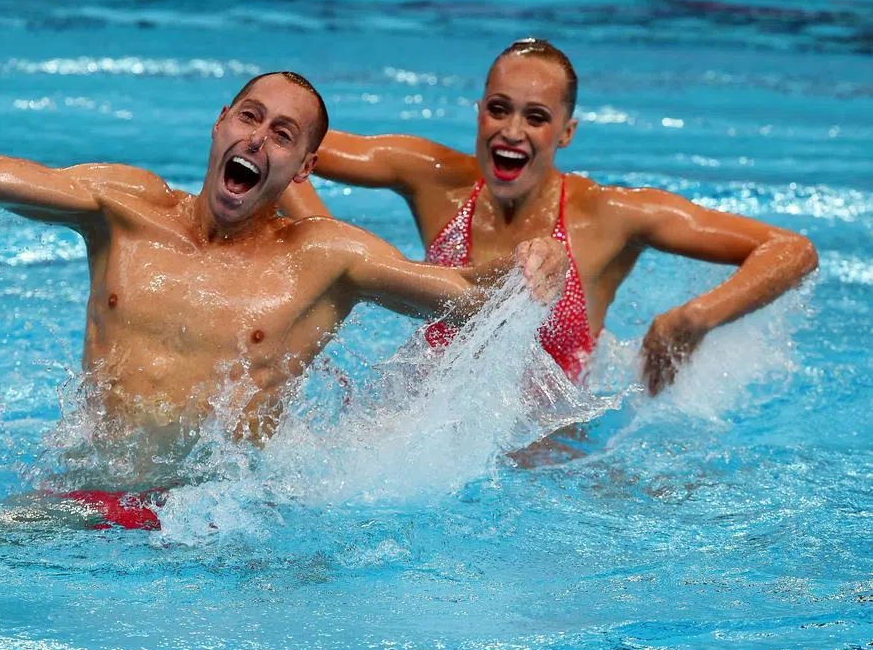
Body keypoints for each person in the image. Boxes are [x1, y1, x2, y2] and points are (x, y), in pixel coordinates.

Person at [0, 71, 567, 528]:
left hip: (219, 525)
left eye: (284, 135)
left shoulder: (328, 259)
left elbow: (467, 298)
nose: (258, 140)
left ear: (301, 169)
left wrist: (535, 265)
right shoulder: (123, 209)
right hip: (81, 498)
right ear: (220, 123)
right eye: (249, 117)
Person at [280, 40, 818, 392]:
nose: (512, 131)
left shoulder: (607, 214)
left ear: (565, 133)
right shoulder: (434, 176)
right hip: (424, 430)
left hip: (549, 463)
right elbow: (285, 144)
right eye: (499, 108)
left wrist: (691, 319)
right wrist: (325, 244)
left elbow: (792, 249)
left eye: (536, 117)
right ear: (479, 111)